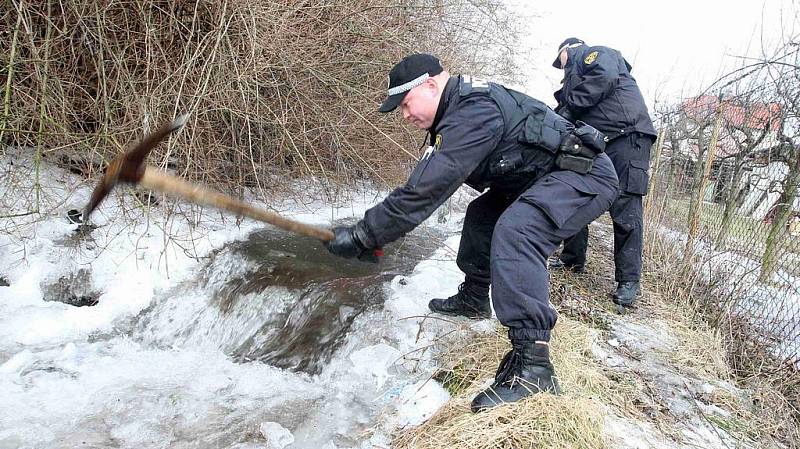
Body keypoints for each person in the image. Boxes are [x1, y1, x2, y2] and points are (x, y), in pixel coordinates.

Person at [324, 53, 618, 412]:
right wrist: (377, 234)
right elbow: (425, 181)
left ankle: (533, 365)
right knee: (483, 214)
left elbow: (424, 192)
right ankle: (475, 297)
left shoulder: (473, 112)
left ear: (430, 86)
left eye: (405, 103)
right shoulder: (461, 110)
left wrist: (363, 236)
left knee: (518, 230)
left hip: (585, 175)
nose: (404, 115)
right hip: (542, 177)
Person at [551, 38, 657, 307]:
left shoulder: (594, 55)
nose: (560, 67)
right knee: (576, 192)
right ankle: (572, 260)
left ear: (567, 51)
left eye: (559, 60)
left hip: (628, 138)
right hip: (599, 141)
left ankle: (629, 282)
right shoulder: (575, 82)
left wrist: (569, 106)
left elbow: (604, 76)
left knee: (625, 207)